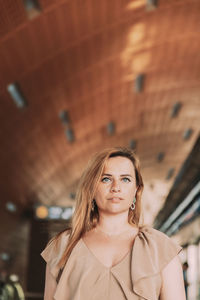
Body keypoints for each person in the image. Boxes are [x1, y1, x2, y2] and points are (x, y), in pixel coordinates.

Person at [41, 147, 186, 300]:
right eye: (106, 179)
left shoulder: (160, 248)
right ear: (91, 188)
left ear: (136, 190)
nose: (116, 187)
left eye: (125, 179)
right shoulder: (63, 246)